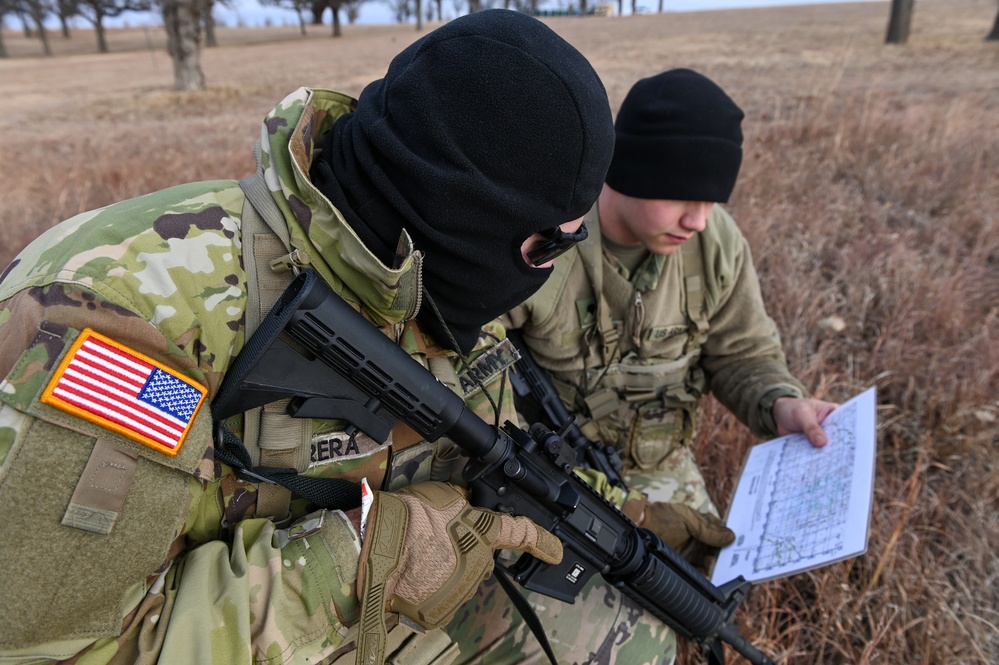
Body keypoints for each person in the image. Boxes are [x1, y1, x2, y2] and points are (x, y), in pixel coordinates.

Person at [0, 11, 691, 665]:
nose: (549, 267)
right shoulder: (119, 313)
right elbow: (60, 648)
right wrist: (365, 559)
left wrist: (621, 515)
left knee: (628, 633)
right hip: (274, 621)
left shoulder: (411, 270)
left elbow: (483, 444)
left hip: (344, 611)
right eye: (548, 245)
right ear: (465, 220)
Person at [502, 69, 839, 566]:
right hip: (555, 477)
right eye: (681, 195)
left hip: (665, 467)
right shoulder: (548, 241)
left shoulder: (716, 244)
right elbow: (479, 389)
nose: (697, 220)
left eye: (711, 200)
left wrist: (780, 401)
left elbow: (742, 350)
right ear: (631, 171)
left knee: (708, 586)